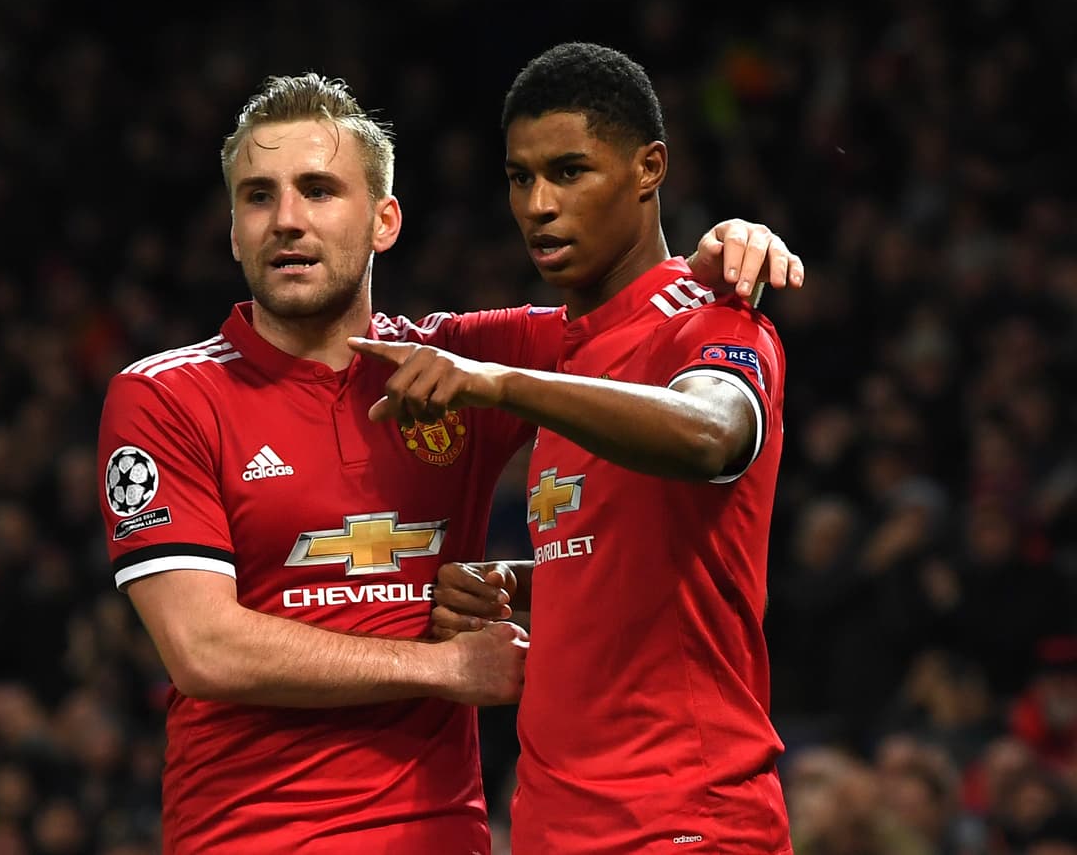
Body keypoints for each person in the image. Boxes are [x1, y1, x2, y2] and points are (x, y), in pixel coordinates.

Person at [97, 70, 802, 852]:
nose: (287, 220)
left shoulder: (460, 361)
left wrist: (727, 247)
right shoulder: (167, 396)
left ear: (384, 220)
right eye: (259, 197)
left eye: (319, 191)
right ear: (233, 229)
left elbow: (635, 314)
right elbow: (204, 649)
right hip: (250, 835)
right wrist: (446, 668)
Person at [350, 42, 794, 852]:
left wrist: (498, 383)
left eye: (569, 171)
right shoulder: (568, 355)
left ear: (649, 167)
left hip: (686, 818)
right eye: (520, 178)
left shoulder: (712, 317)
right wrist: (517, 582)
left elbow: (711, 434)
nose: (538, 205)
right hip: (556, 823)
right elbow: (625, 553)